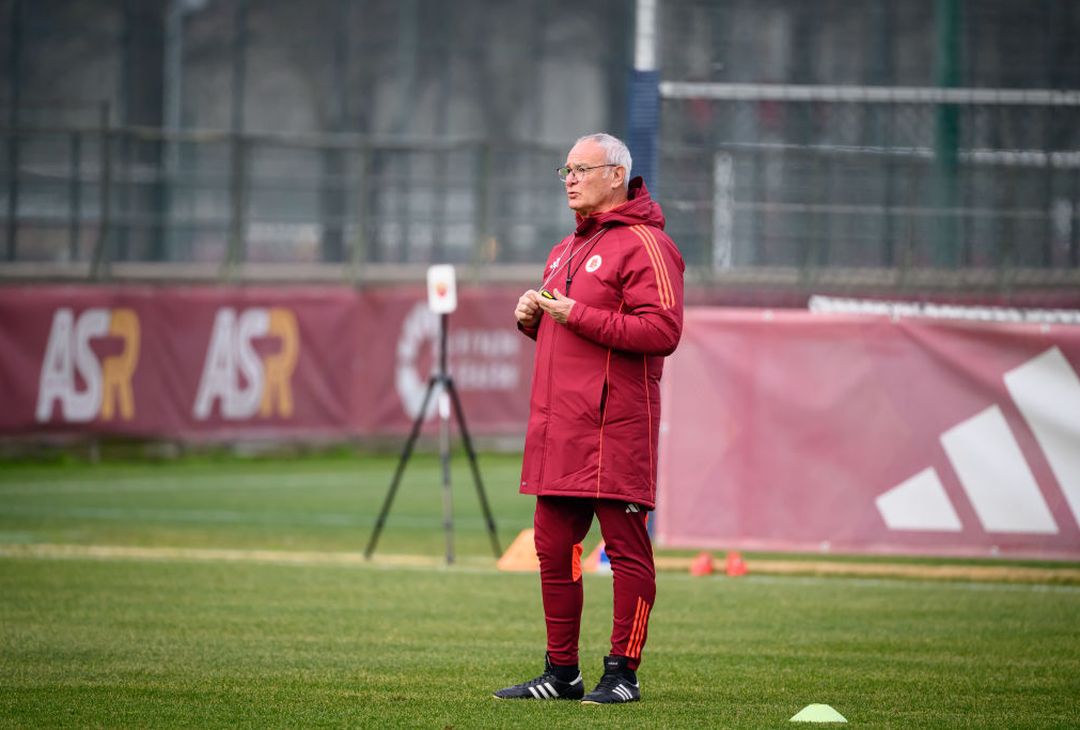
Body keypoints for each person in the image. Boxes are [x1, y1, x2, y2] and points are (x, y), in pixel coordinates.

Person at [493, 133, 685, 705]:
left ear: (616, 175)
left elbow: (663, 332)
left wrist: (577, 313)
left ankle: (622, 673)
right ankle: (561, 673)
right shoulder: (563, 249)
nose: (569, 179)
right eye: (566, 170)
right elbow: (570, 335)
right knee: (553, 549)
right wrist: (534, 319)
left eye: (581, 169)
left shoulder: (647, 243)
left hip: (615, 428)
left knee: (627, 551)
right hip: (563, 430)